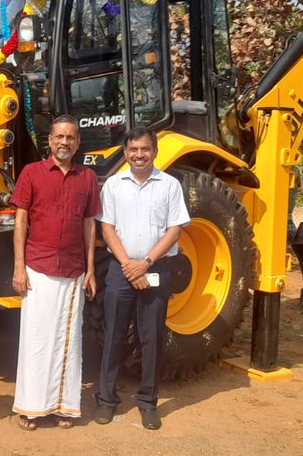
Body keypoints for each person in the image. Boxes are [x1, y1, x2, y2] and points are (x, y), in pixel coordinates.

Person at [94, 127, 189, 431]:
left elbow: (175, 229)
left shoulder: (170, 185)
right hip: (121, 271)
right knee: (113, 336)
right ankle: (106, 400)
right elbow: (107, 228)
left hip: (157, 268)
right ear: (125, 153)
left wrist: (146, 263)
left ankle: (148, 403)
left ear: (155, 152)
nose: (138, 155)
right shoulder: (113, 185)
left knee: (152, 338)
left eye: (144, 149)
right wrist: (128, 265)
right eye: (133, 149)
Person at [10, 115, 101, 431]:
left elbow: (89, 224)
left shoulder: (87, 177)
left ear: (77, 143)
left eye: (71, 137)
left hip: (74, 271)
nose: (64, 142)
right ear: (49, 140)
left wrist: (90, 270)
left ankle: (65, 407)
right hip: (38, 268)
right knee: (36, 338)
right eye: (59, 137)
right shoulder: (31, 173)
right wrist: (19, 268)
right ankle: (32, 408)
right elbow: (21, 222)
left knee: (67, 339)